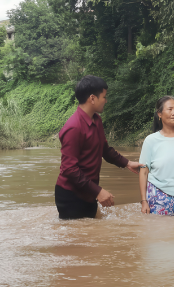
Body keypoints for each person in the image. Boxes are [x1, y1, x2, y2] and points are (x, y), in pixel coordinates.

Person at [55, 75, 144, 219]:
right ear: (92, 98)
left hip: (88, 193)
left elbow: (105, 150)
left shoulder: (96, 120)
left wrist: (127, 163)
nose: (106, 101)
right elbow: (69, 169)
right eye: (104, 97)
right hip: (71, 196)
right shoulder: (73, 127)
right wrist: (98, 191)